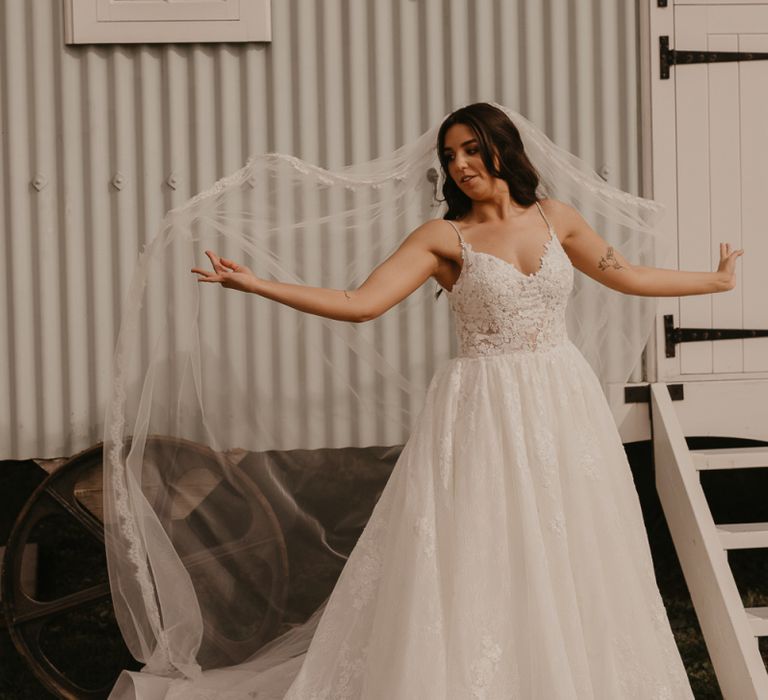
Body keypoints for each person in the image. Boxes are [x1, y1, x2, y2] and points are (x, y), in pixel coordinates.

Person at [109, 103, 740, 699]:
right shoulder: (443, 236)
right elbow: (360, 304)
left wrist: (713, 281)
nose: (460, 164)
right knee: (481, 545)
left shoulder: (557, 217)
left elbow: (625, 274)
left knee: (574, 538)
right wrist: (257, 285)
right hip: (484, 406)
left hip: (562, 401)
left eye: (472, 149)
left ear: (504, 150)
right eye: (450, 156)